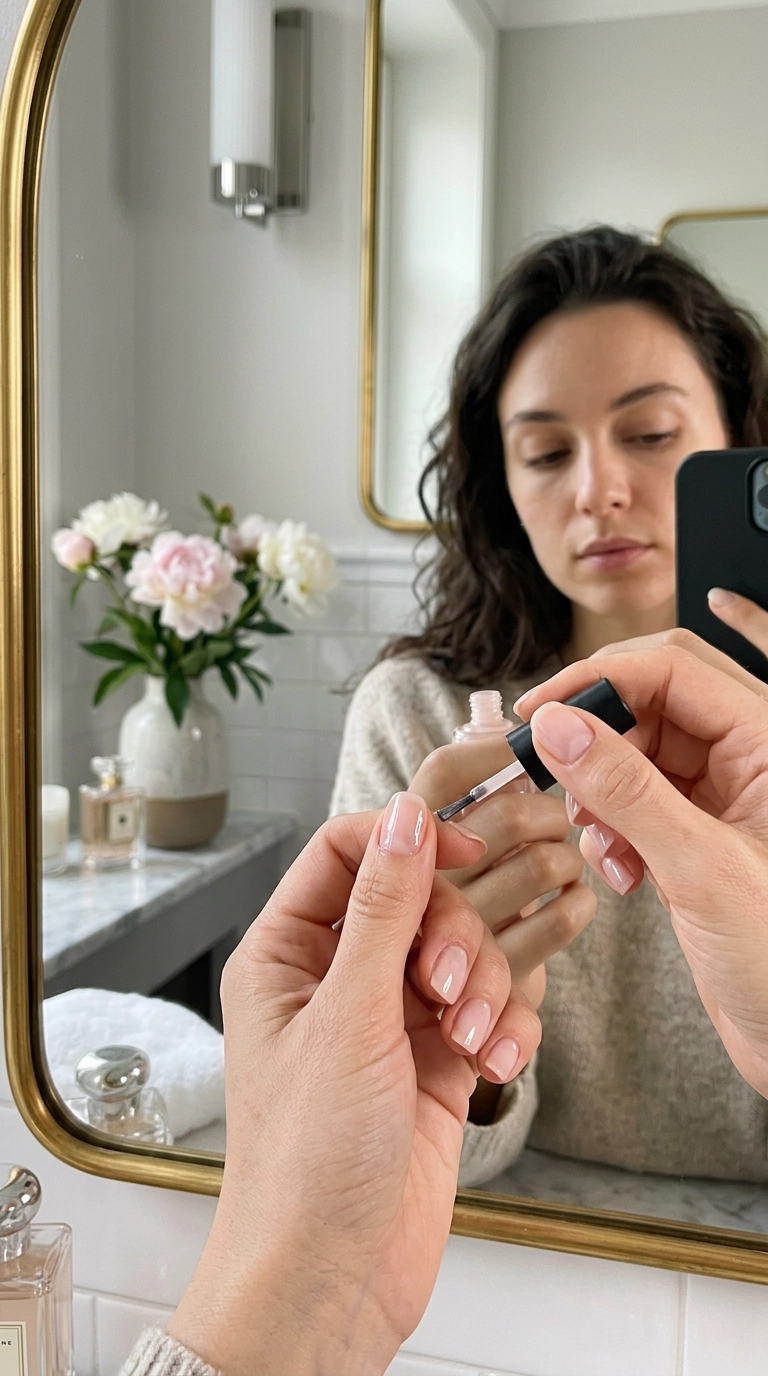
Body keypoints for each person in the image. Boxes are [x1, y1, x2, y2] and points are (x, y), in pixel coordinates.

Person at [119, 640, 768, 1376]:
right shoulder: (408, 705)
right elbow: (397, 1137)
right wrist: (319, 1276)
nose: (600, 512)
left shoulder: (750, 746)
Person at [330, 225, 768, 1186]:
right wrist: (471, 1027)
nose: (599, 490)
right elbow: (385, 1156)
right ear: (501, 483)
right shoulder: (416, 718)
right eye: (543, 452)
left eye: (650, 436)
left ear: (739, 440)